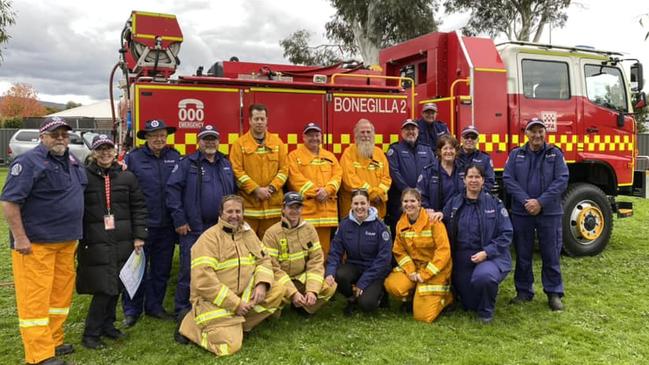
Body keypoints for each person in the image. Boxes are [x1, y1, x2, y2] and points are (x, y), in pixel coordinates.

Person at [1, 117, 87, 365]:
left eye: (64, 134)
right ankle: (39, 355)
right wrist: (20, 238)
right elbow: (9, 202)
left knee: (58, 298)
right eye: (54, 134)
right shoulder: (28, 162)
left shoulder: (72, 161)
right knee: (35, 300)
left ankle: (53, 341)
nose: (60, 138)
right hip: (35, 245)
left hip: (66, 242)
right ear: (42, 136)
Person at [176, 195, 284, 356]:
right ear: (220, 213)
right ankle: (189, 325)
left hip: (241, 296)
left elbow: (264, 260)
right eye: (229, 211)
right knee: (229, 347)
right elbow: (204, 282)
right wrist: (235, 304)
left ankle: (238, 325)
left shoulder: (248, 233)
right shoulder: (208, 239)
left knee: (277, 289)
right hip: (213, 301)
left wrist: (262, 284)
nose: (234, 215)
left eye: (238, 211)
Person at [76, 135, 147, 349]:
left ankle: (108, 326)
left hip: (122, 239)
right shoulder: (83, 176)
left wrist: (139, 235)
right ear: (93, 152)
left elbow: (138, 207)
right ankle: (91, 334)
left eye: (108, 149)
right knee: (103, 288)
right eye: (100, 149)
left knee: (117, 284)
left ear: (115, 151)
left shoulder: (127, 177)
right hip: (95, 239)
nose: (105, 153)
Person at [166, 124, 237, 319]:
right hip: (193, 228)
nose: (210, 142)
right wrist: (179, 220)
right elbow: (172, 191)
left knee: (220, 269)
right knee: (190, 269)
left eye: (213, 138)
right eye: (206, 138)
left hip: (220, 228)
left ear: (218, 141)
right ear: (199, 142)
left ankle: (212, 305)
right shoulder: (187, 163)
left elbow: (234, 192)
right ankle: (183, 309)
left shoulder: (225, 163)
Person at [503, 117, 569, 311]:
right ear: (527, 134)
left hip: (549, 213)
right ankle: (523, 291)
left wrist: (540, 202)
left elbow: (562, 180)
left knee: (551, 253)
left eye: (540, 131)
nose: (537, 135)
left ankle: (554, 293)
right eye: (533, 131)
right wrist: (526, 201)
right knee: (523, 253)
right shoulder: (516, 154)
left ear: (545, 133)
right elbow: (508, 178)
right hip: (522, 212)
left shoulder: (555, 154)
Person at [122, 119, 180, 327]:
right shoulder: (134, 158)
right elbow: (124, 191)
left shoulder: (175, 157)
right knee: (136, 269)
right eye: (154, 135)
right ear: (146, 137)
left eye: (162, 135)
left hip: (166, 226)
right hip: (142, 225)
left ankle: (155, 307)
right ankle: (132, 310)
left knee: (161, 270)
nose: (159, 138)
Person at [443, 164, 512, 323]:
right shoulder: (455, 202)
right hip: (463, 257)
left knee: (484, 278)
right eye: (470, 177)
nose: (473, 180)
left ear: (483, 181)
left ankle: (486, 312)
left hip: (489, 256)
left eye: (477, 177)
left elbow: (506, 233)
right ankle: (474, 299)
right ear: (464, 180)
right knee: (470, 304)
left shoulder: (494, 204)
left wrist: (487, 252)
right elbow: (443, 220)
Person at [384, 188, 453, 323]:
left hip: (435, 269)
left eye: (412, 201)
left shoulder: (433, 221)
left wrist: (425, 274)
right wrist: (411, 271)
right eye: (405, 201)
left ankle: (447, 298)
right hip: (415, 268)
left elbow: (443, 251)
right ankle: (414, 295)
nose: (409, 204)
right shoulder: (401, 224)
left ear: (420, 203)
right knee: (393, 285)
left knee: (423, 317)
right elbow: (399, 251)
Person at [262, 192, 336, 314]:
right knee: (274, 308)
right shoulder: (272, 233)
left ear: (302, 209)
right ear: (283, 209)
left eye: (298, 207)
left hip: (301, 279)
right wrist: (293, 293)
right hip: (281, 281)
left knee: (330, 287)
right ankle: (284, 304)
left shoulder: (309, 229)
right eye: (291, 207)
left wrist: (312, 290)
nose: (294, 211)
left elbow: (316, 261)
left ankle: (303, 307)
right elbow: (273, 268)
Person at [326, 189, 392, 315]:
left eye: (363, 203)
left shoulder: (380, 227)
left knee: (367, 305)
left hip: (374, 271)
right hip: (354, 266)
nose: (359, 207)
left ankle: (380, 294)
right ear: (351, 205)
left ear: (369, 204)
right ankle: (353, 297)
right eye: (356, 204)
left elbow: (384, 259)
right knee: (339, 275)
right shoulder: (344, 225)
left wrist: (363, 282)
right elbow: (335, 252)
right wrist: (330, 273)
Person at [230, 104, 288, 238]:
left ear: (267, 120)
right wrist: (256, 189)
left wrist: (271, 189)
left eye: (262, 119)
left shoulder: (278, 143)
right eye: (256, 119)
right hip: (250, 207)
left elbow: (284, 170)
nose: (259, 122)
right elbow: (237, 171)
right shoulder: (239, 144)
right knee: (247, 245)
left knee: (272, 245)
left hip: (273, 206)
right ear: (250, 120)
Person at [287, 122, 342, 256]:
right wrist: (316, 192)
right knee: (303, 251)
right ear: (303, 137)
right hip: (306, 213)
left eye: (317, 135)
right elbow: (295, 179)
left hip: (326, 215)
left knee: (324, 252)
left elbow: (338, 175)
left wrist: (327, 191)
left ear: (321, 137)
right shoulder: (294, 156)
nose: (314, 138)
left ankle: (321, 276)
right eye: (310, 135)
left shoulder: (330, 156)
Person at [386, 119, 435, 235]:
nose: (410, 132)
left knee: (423, 234)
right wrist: (409, 192)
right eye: (407, 129)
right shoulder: (395, 149)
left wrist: (422, 194)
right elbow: (394, 172)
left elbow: (433, 171)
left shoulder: (427, 150)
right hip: (400, 201)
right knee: (400, 233)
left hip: (423, 200)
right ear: (402, 132)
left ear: (418, 131)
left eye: (413, 129)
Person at [339, 119, 391, 219]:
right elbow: (349, 180)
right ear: (356, 135)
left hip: (377, 211)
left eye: (368, 132)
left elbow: (387, 178)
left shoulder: (379, 153)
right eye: (362, 132)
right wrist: (372, 194)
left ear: (373, 134)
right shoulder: (348, 154)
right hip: (354, 213)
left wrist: (379, 193)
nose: (366, 135)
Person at [416, 134, 465, 212]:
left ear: (456, 151)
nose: (448, 151)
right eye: (445, 148)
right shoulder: (429, 171)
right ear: (439, 151)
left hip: (460, 216)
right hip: (436, 218)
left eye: (451, 148)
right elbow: (420, 195)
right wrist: (428, 210)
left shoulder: (464, 170)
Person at [457, 126, 496, 192]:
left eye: (473, 137)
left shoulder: (485, 158)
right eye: (466, 137)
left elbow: (489, 181)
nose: (469, 139)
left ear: (477, 140)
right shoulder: (454, 157)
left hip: (477, 198)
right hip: (456, 198)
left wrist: (475, 194)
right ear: (461, 139)